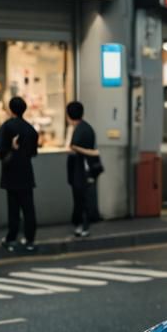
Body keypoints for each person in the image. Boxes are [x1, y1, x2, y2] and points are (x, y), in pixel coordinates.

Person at [0, 96, 39, 252]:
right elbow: (33, 152)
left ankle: (11, 238)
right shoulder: (31, 129)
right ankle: (30, 239)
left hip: (11, 171)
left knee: (13, 208)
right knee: (28, 207)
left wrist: (11, 150)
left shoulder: (6, 127)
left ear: (10, 109)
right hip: (26, 171)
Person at [65, 101, 100, 238]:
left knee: (81, 199)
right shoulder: (85, 128)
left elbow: (75, 149)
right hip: (84, 169)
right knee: (82, 199)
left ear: (69, 115)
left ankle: (83, 226)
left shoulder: (79, 130)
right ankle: (81, 225)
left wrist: (74, 148)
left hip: (82, 170)